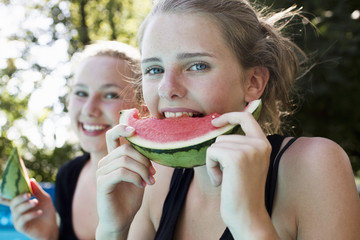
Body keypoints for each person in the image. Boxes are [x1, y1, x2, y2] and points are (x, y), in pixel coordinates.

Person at [96, 0, 360, 239]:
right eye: (154, 69)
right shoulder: (155, 181)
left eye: (197, 65)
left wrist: (249, 221)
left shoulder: (314, 165)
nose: (167, 88)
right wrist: (113, 229)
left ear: (253, 82)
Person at [0, 40, 141, 239]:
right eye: (81, 93)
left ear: (143, 106)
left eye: (110, 94)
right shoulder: (68, 176)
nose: (89, 109)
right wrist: (49, 235)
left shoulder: (161, 183)